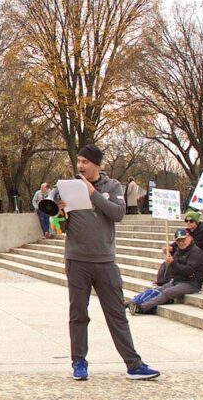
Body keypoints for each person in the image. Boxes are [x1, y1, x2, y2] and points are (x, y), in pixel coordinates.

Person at [56, 145, 159, 381]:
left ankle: (133, 364)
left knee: (116, 314)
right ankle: (79, 362)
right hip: (77, 260)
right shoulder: (67, 188)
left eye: (85, 162)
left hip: (105, 261)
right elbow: (60, 227)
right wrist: (58, 212)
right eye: (79, 161)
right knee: (78, 314)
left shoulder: (112, 186)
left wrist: (92, 193)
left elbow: (118, 213)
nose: (80, 166)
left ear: (97, 164)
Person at [128, 229, 203, 314]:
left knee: (167, 292)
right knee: (157, 290)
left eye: (183, 240)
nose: (181, 243)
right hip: (177, 281)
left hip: (191, 283)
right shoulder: (179, 251)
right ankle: (131, 302)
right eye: (179, 241)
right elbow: (173, 271)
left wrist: (173, 263)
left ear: (189, 238)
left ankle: (142, 308)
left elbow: (188, 271)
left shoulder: (196, 252)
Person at [183, 211, 203, 278]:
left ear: (196, 222)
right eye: (186, 220)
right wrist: (171, 247)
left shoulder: (202, 232)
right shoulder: (187, 231)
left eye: (191, 221)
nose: (188, 222)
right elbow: (179, 242)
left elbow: (193, 246)